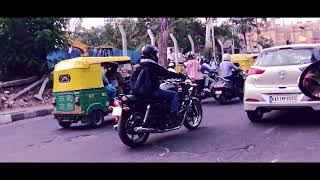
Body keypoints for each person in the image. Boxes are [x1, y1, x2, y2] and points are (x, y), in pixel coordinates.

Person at [131, 45, 186, 125]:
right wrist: (180, 76)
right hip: (151, 92)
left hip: (136, 92)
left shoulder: (138, 65)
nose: (156, 55)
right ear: (151, 54)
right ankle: (173, 117)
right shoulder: (152, 65)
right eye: (155, 53)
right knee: (174, 95)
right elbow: (166, 73)